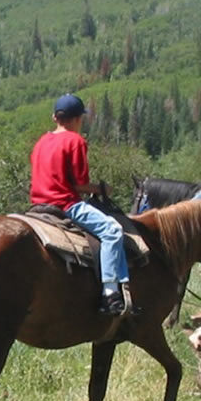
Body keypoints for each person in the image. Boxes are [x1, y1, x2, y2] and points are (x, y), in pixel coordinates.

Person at [30, 93, 132, 317]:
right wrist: (102, 189)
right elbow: (80, 185)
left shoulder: (41, 142)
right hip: (65, 204)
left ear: (55, 118)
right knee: (113, 231)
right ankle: (110, 293)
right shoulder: (75, 141)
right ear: (78, 119)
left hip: (37, 204)